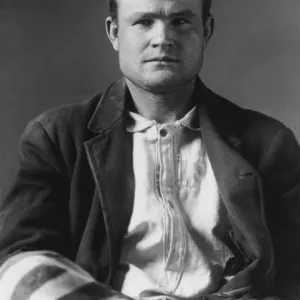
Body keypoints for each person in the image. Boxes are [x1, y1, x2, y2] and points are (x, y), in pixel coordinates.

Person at [0, 0, 299, 299]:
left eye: (180, 21)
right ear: (114, 32)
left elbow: (292, 272)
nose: (163, 38)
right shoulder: (57, 136)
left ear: (206, 31)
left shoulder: (268, 143)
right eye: (144, 22)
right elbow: (19, 257)